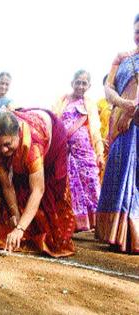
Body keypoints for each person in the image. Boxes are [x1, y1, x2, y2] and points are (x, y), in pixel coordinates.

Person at [0, 111, 75, 257]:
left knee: (50, 202)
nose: (3, 150)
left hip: (52, 137)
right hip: (29, 141)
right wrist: (15, 215)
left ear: (18, 133)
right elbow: (7, 185)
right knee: (19, 190)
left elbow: (38, 190)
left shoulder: (32, 146)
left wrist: (20, 229)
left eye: (7, 144)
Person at [95, 13, 139, 253]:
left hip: (134, 123)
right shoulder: (122, 58)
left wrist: (132, 112)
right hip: (121, 125)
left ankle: (134, 237)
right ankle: (116, 235)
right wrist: (123, 104)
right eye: (137, 31)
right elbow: (108, 88)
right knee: (120, 174)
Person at [52, 70, 103, 231]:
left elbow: (95, 129)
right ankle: (73, 223)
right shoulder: (62, 100)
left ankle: (96, 223)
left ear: (89, 85)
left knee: (91, 183)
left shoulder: (89, 103)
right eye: (78, 82)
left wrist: (99, 151)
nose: (81, 86)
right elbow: (54, 120)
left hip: (84, 151)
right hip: (64, 150)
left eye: (84, 83)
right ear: (72, 82)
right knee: (68, 186)